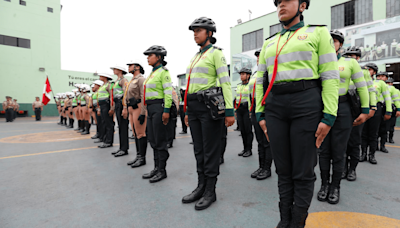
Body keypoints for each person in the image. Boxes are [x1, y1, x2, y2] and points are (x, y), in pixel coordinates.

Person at [256, 0, 339, 226]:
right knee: (283, 169)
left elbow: (330, 76)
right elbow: (260, 79)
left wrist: (329, 115)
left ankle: (297, 222)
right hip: (275, 106)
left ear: (302, 6)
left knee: (302, 169)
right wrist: (260, 113)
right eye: (278, 2)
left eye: (287, 1)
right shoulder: (270, 42)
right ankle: (284, 221)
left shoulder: (318, 33)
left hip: (306, 102)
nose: (281, 5)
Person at [181, 17, 235, 211]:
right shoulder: (195, 57)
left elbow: (225, 82)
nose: (195, 34)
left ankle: (210, 191)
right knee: (198, 149)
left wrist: (229, 110)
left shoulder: (216, 54)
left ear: (210, 33)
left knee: (210, 149)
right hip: (194, 107)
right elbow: (189, 86)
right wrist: (187, 109)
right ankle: (200, 186)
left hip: (208, 107)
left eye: (199, 30)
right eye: (194, 31)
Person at [317, 30, 369, 205]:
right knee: (323, 151)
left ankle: (335, 186)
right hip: (322, 109)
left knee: (339, 151)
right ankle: (324, 185)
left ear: (340, 44)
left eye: (335, 41)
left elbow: (362, 87)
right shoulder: (317, 62)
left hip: (343, 108)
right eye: (328, 41)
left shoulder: (350, 63)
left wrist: (365, 109)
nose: (332, 43)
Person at [342, 46, 377, 182]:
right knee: (342, 142)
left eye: (355, 56)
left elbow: (370, 90)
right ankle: (343, 168)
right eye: (350, 55)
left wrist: (371, 107)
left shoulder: (364, 72)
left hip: (357, 109)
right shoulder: (340, 68)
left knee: (355, 141)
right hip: (343, 108)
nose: (353, 58)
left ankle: (352, 169)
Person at [142, 45, 172, 183]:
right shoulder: (152, 73)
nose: (148, 58)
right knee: (153, 139)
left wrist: (166, 111)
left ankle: (162, 170)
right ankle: (156, 168)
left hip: (159, 107)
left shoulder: (163, 72)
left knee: (160, 140)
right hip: (151, 108)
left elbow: (167, 92)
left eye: (150, 55)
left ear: (159, 57)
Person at [249, 48, 273, 180]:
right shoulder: (255, 74)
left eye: (260, 57)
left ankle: (267, 168)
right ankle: (261, 166)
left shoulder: (268, 73)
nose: (258, 59)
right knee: (259, 141)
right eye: (257, 58)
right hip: (255, 109)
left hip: (266, 109)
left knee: (266, 140)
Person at [361, 64, 392, 164]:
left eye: (370, 70)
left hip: (376, 109)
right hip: (364, 108)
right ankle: (363, 154)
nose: (368, 71)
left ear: (374, 72)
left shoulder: (380, 83)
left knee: (373, 133)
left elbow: (387, 97)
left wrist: (388, 111)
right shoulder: (361, 81)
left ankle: (372, 155)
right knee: (363, 133)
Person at [124, 60, 148, 168]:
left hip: (138, 107)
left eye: (130, 66)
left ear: (137, 67)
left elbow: (144, 96)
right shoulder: (132, 80)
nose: (128, 67)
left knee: (140, 133)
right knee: (135, 133)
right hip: (131, 108)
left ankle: (142, 158)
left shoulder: (141, 79)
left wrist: (143, 112)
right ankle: (138, 156)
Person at [110, 65, 129, 157]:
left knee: (123, 126)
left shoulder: (123, 80)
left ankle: (124, 149)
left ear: (120, 70)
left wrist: (125, 107)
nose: (113, 70)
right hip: (117, 103)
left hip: (121, 103)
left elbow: (125, 93)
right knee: (120, 126)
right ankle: (121, 148)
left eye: (115, 69)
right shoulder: (117, 81)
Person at [235, 67, 254, 157]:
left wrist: (250, 110)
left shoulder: (250, 85)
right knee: (242, 130)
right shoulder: (239, 86)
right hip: (239, 109)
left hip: (247, 109)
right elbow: (237, 98)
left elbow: (251, 98)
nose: (241, 76)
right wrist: (235, 110)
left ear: (248, 75)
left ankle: (249, 149)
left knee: (248, 130)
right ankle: (245, 148)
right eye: (241, 74)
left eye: (243, 74)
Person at [97, 73, 115, 148]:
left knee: (108, 124)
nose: (99, 77)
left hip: (106, 105)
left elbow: (111, 96)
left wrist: (111, 108)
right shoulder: (103, 85)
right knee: (104, 122)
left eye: (101, 76)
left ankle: (109, 141)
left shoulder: (109, 85)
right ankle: (105, 140)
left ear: (105, 77)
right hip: (102, 105)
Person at [386, 77, 400, 143]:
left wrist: (398, 109)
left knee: (392, 125)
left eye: (390, 83)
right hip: (385, 107)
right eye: (387, 83)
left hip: (393, 108)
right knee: (384, 125)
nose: (389, 84)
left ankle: (390, 138)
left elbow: (397, 100)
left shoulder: (396, 90)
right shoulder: (384, 89)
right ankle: (385, 138)